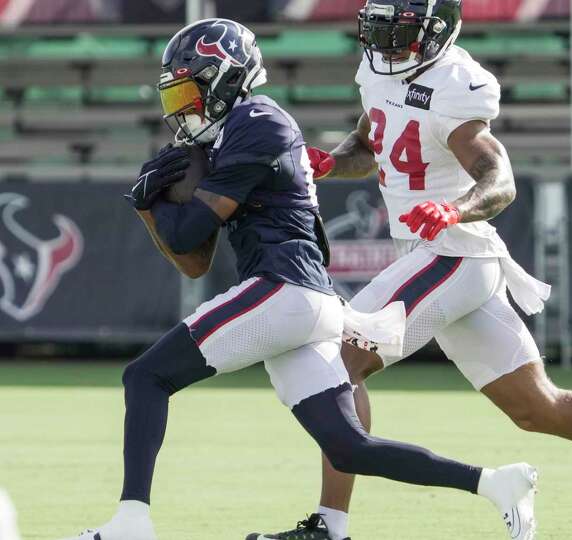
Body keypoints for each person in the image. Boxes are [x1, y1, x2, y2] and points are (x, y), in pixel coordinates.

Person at [249, 1, 572, 538]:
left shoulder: (455, 82)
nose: (387, 45)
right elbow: (370, 146)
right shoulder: (378, 71)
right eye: (382, 32)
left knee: (338, 363)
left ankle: (330, 526)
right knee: (537, 408)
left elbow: (499, 179)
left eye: (399, 33)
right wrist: (331, 162)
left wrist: (454, 208)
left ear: (435, 32)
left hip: (450, 252)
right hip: (440, 259)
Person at [62, 18, 537, 540]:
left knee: (145, 377)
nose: (181, 108)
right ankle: (495, 484)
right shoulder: (233, 133)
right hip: (305, 303)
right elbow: (194, 261)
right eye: (172, 95)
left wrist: (149, 198)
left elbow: (189, 234)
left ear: (222, 78)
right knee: (348, 447)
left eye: (188, 91)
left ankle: (132, 521)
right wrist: (148, 207)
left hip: (281, 289)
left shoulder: (257, 121)